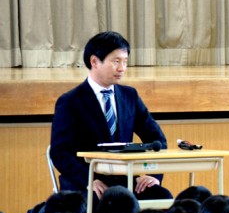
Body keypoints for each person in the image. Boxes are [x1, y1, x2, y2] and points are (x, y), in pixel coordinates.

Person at [50, 31, 171, 200]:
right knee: (108, 203)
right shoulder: (70, 101)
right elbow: (60, 152)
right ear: (94, 61)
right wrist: (89, 179)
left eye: (125, 62)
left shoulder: (130, 96)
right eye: (116, 62)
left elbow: (157, 138)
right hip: (85, 183)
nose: (122, 68)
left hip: (125, 180)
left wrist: (154, 175)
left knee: (161, 196)